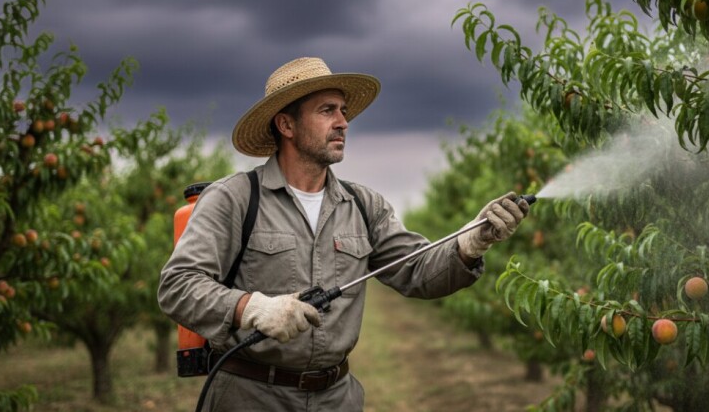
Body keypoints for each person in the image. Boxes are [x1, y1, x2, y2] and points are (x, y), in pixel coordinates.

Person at [158, 57, 529, 411]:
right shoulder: (235, 198)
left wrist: (470, 242)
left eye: (343, 111)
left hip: (337, 399)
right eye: (327, 111)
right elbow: (178, 285)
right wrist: (252, 308)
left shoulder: (364, 205)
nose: (343, 122)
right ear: (286, 125)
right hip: (250, 398)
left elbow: (417, 272)